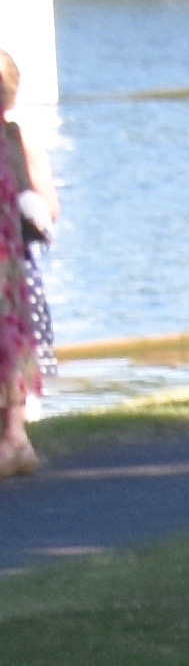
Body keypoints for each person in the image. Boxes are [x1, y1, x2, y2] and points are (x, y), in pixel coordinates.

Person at [0, 48, 57, 476]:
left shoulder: (20, 140)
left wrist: (33, 209)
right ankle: (15, 440)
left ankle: (14, 437)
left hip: (13, 260)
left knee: (11, 345)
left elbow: (49, 205)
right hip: (12, 261)